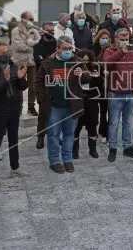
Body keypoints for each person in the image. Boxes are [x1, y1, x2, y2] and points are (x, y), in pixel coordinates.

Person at [35, 36, 91, 173]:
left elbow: (87, 78)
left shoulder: (77, 62)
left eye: (70, 49)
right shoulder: (48, 63)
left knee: (69, 134)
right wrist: (42, 100)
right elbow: (38, 81)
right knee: (53, 134)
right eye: (65, 49)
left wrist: (82, 74)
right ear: (57, 49)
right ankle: (54, 161)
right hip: (54, 106)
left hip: (72, 106)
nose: (68, 51)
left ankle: (67, 159)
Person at [0, 42, 29, 189]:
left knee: (13, 139)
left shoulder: (14, 65)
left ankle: (15, 166)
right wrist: (5, 79)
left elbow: (21, 87)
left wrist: (22, 78)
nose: (7, 54)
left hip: (14, 108)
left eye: (8, 51)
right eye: (3, 52)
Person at [102, 28, 133, 162]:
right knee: (113, 123)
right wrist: (120, 52)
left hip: (131, 94)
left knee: (128, 122)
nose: (125, 41)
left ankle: (127, 147)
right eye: (122, 39)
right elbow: (106, 64)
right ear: (115, 39)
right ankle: (112, 148)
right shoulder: (109, 51)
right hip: (115, 94)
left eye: (126, 39)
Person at [73, 50, 103, 158]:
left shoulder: (95, 69)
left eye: (87, 60)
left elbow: (101, 84)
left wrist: (98, 77)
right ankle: (74, 151)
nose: (85, 62)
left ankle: (92, 150)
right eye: (83, 60)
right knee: (76, 128)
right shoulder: (75, 70)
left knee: (92, 127)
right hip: (79, 102)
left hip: (92, 102)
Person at [11, 11, 41, 116]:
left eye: (32, 19)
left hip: (31, 61)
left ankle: (31, 106)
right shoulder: (15, 31)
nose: (32, 21)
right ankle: (19, 106)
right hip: (19, 61)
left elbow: (38, 41)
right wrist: (31, 48)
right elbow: (18, 46)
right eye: (30, 19)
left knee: (33, 86)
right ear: (23, 19)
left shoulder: (33, 31)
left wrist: (32, 46)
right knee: (20, 85)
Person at [33, 23, 57, 149]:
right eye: (48, 30)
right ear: (42, 31)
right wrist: (50, 59)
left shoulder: (57, 44)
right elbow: (42, 63)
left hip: (56, 82)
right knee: (42, 114)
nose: (51, 33)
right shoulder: (37, 46)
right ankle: (40, 138)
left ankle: (55, 136)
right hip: (43, 82)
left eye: (52, 30)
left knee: (56, 112)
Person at [92, 30, 111, 143]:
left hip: (106, 83)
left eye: (107, 38)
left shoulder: (110, 50)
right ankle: (93, 130)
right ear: (98, 38)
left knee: (105, 110)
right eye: (102, 38)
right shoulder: (93, 49)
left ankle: (104, 132)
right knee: (94, 111)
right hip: (94, 84)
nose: (105, 40)